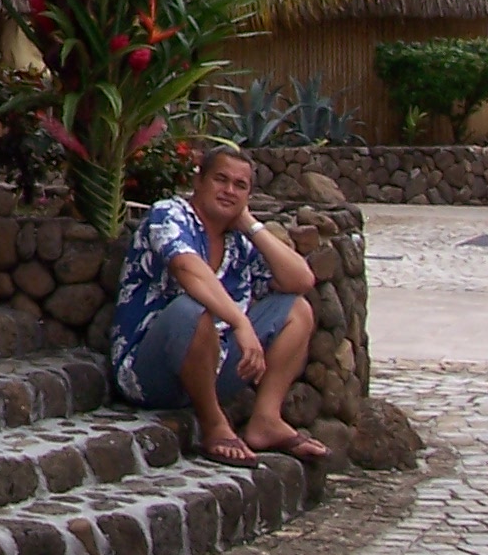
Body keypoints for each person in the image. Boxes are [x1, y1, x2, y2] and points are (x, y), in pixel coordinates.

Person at [109, 146, 329, 463]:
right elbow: (188, 270)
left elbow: (301, 280)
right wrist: (240, 323)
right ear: (199, 181)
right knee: (192, 310)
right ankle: (213, 424)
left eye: (240, 186)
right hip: (149, 373)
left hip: (214, 367)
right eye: (220, 180)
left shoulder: (237, 241)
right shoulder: (169, 214)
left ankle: (265, 420)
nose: (229, 191)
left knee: (297, 309)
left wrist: (250, 223)